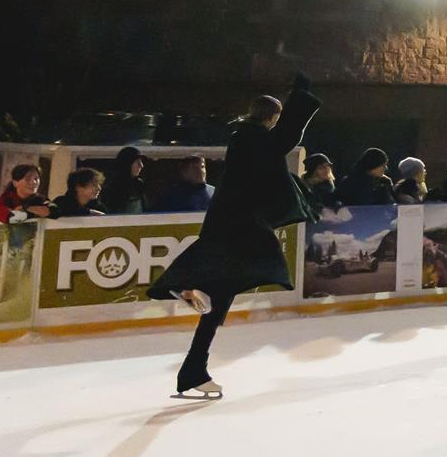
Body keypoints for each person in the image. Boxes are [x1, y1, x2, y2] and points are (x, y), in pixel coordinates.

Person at [146, 75, 320, 399]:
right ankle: (187, 289)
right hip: (241, 226)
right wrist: (302, 97)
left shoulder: (244, 137)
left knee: (220, 295)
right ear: (271, 117)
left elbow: (279, 144)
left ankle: (193, 368)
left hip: (227, 222)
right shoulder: (254, 139)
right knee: (252, 270)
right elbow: (286, 138)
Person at [99, 147, 148, 214]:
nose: (141, 165)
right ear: (127, 163)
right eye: (137, 162)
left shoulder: (139, 185)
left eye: (141, 161)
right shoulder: (112, 188)